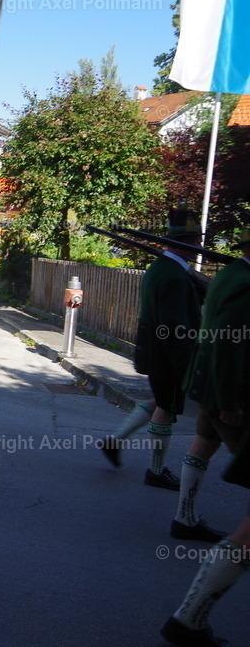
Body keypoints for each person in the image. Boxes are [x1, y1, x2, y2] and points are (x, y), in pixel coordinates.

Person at [160, 228, 250, 647]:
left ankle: (185, 516)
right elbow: (230, 342)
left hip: (212, 387)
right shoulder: (244, 282)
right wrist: (228, 396)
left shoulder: (232, 274)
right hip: (230, 394)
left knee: (204, 445)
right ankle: (190, 618)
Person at [101, 208, 207, 491]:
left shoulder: (164, 268)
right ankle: (156, 470)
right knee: (167, 407)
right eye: (196, 241)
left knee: (160, 400)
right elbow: (176, 327)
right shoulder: (173, 275)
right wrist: (186, 366)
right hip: (169, 354)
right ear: (187, 242)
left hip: (156, 351)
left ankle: (115, 441)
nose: (200, 246)